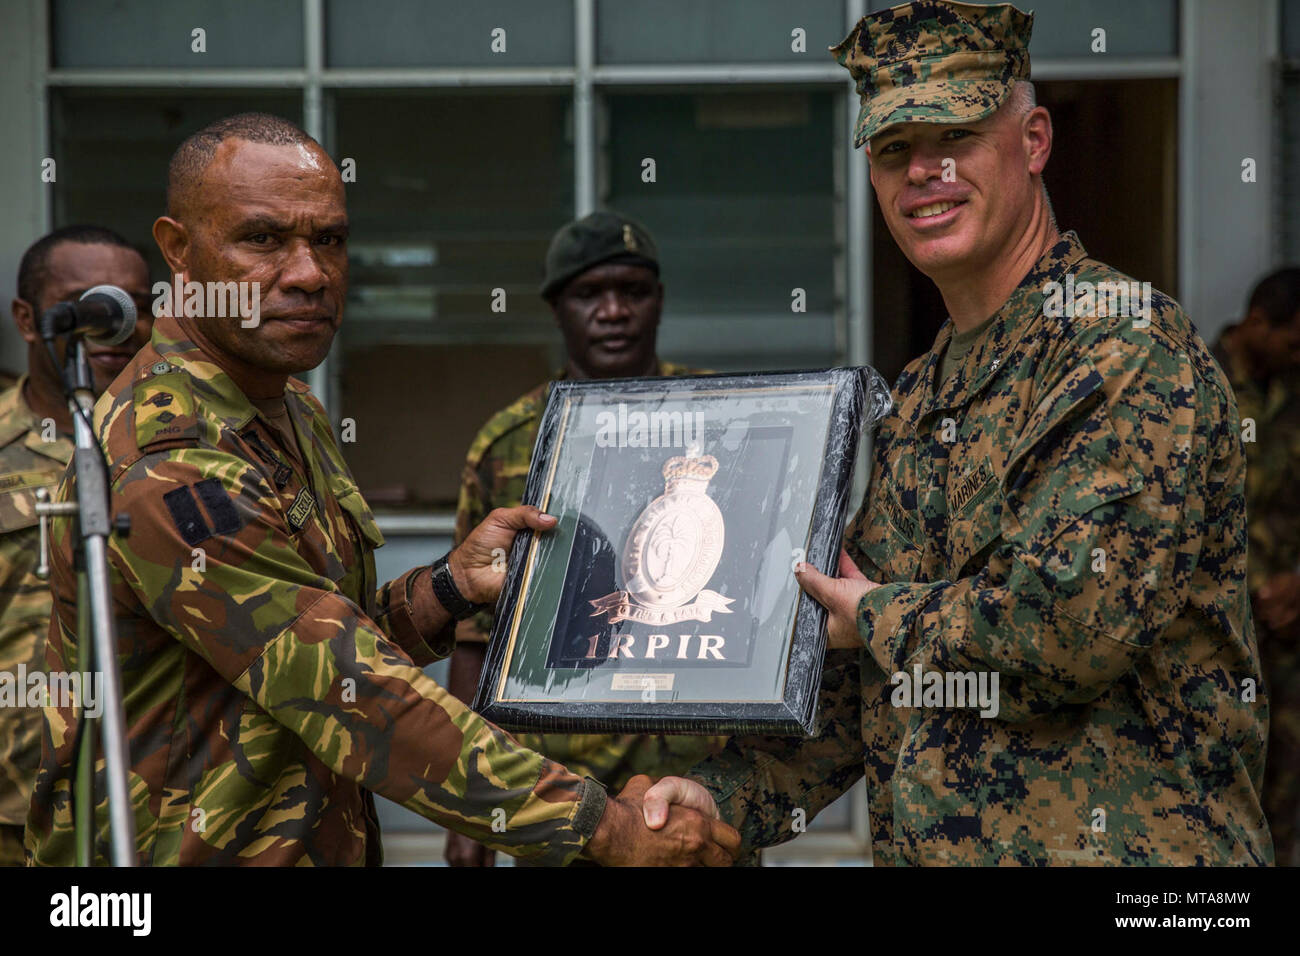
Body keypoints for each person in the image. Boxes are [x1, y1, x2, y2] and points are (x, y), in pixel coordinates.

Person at [650, 0, 1273, 865]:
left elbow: (1071, 629)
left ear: (1034, 142)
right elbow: (865, 669)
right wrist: (721, 799)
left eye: (955, 136)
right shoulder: (925, 390)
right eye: (895, 149)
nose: (924, 172)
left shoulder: (1122, 345)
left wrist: (874, 616)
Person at [27, 113, 739, 867]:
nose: (308, 273)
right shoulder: (170, 454)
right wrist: (606, 828)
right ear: (177, 249)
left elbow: (317, 632)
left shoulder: (285, 405)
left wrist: (448, 588)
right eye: (262, 239)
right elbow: (349, 690)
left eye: (328, 239)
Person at [444, 210, 730, 866]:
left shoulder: (726, 416)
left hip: (699, 778)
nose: (613, 312)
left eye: (633, 292)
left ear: (659, 301)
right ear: (556, 308)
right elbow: (475, 640)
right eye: (589, 294)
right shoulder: (512, 443)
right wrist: (469, 804)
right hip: (560, 792)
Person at [0, 225, 153, 865]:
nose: (115, 325)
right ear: (28, 320)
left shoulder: (188, 446)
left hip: (162, 803)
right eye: (86, 305)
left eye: (135, 306)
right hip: (14, 807)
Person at [1211, 267, 1300, 866]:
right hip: (1215, 645)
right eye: (1293, 342)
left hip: (1290, 639)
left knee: (1283, 803)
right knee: (1215, 809)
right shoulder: (1190, 381)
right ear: (1258, 323)